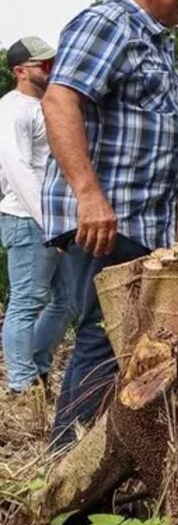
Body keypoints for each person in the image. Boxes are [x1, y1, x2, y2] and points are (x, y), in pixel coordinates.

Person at [42, 0, 178, 447]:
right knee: (103, 346)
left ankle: (102, 476)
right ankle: (65, 481)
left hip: (140, 224)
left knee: (130, 353)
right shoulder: (110, 23)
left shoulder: (153, 40)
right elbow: (61, 100)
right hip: (106, 221)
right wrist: (89, 195)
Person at [0, 38, 74, 396]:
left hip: (53, 220)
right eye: (43, 65)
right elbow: (17, 170)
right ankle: (21, 385)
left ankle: (38, 370)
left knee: (68, 299)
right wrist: (51, 226)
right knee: (26, 302)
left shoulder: (44, 105)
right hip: (30, 220)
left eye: (52, 62)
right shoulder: (13, 109)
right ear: (20, 71)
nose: (50, 68)